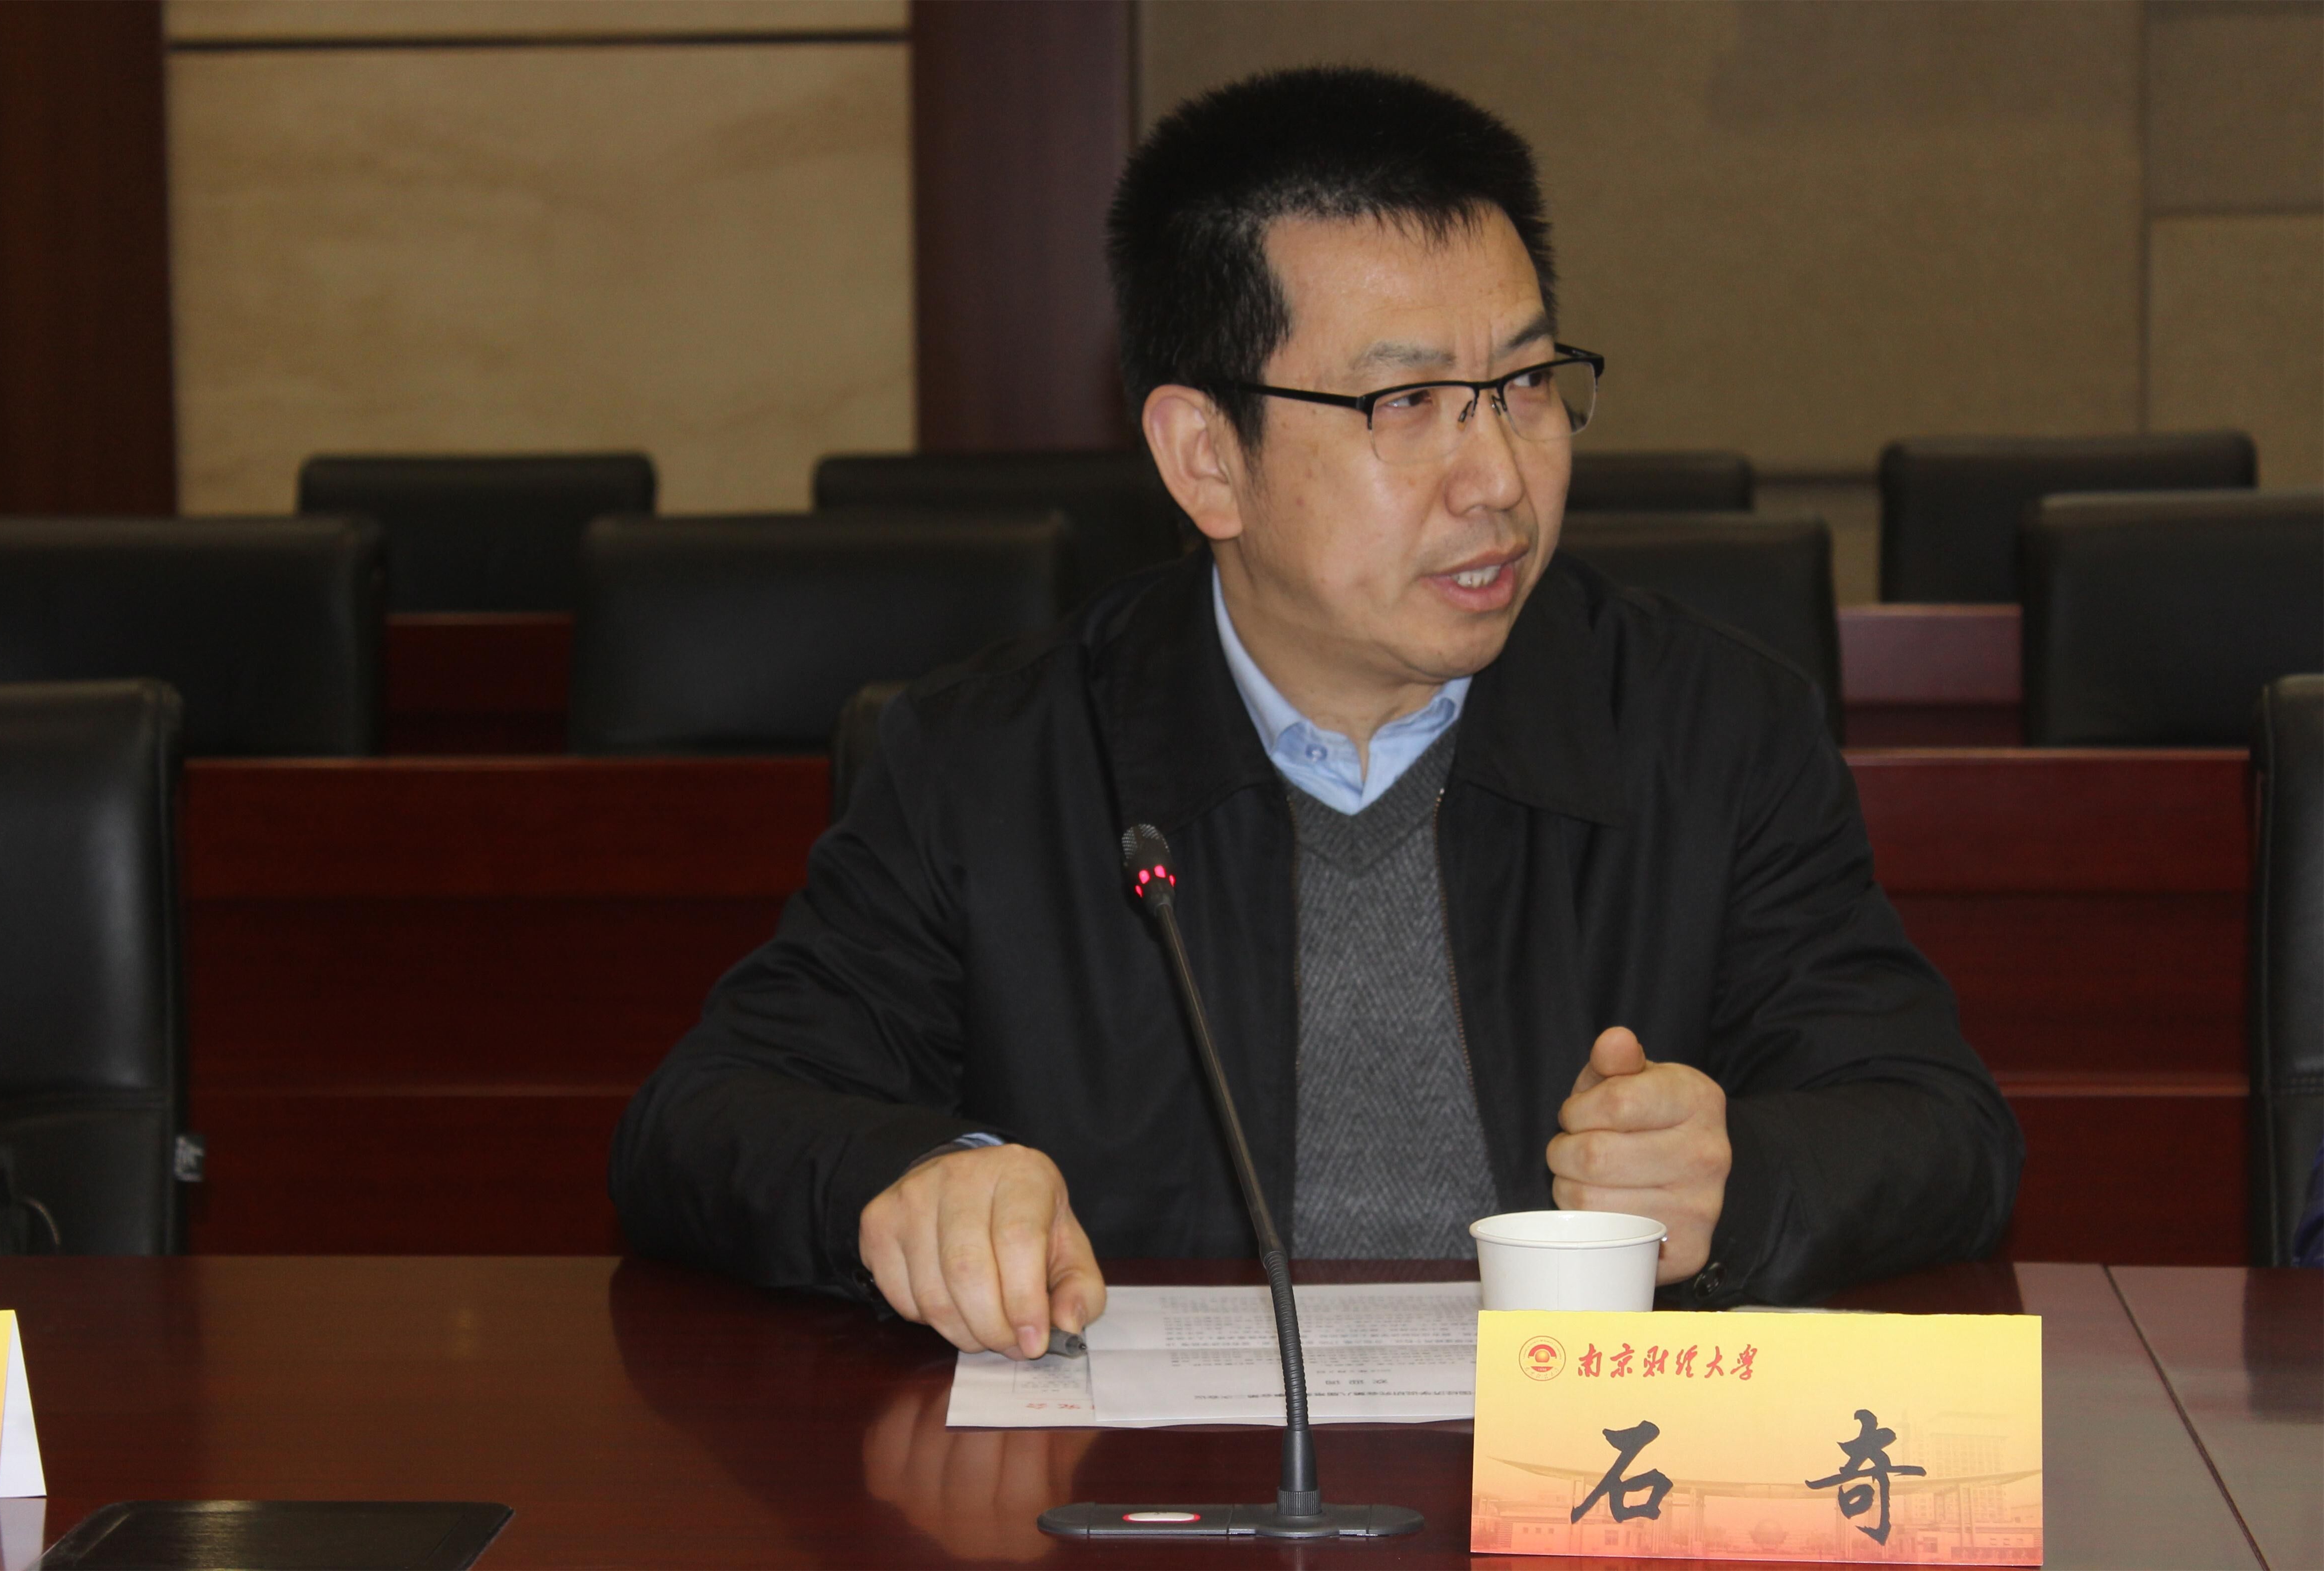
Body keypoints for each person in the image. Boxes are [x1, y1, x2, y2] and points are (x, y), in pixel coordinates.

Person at [610, 66, 2021, 1361]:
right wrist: (919, 1179)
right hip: (1150, 1495)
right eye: (1406, 402)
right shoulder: (991, 763)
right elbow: (702, 1119)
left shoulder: (1709, 730)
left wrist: (1740, 1183)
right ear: (1204, 459)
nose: (1498, 479)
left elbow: (1940, 1126)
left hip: (1569, 1482)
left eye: (1525, 385)